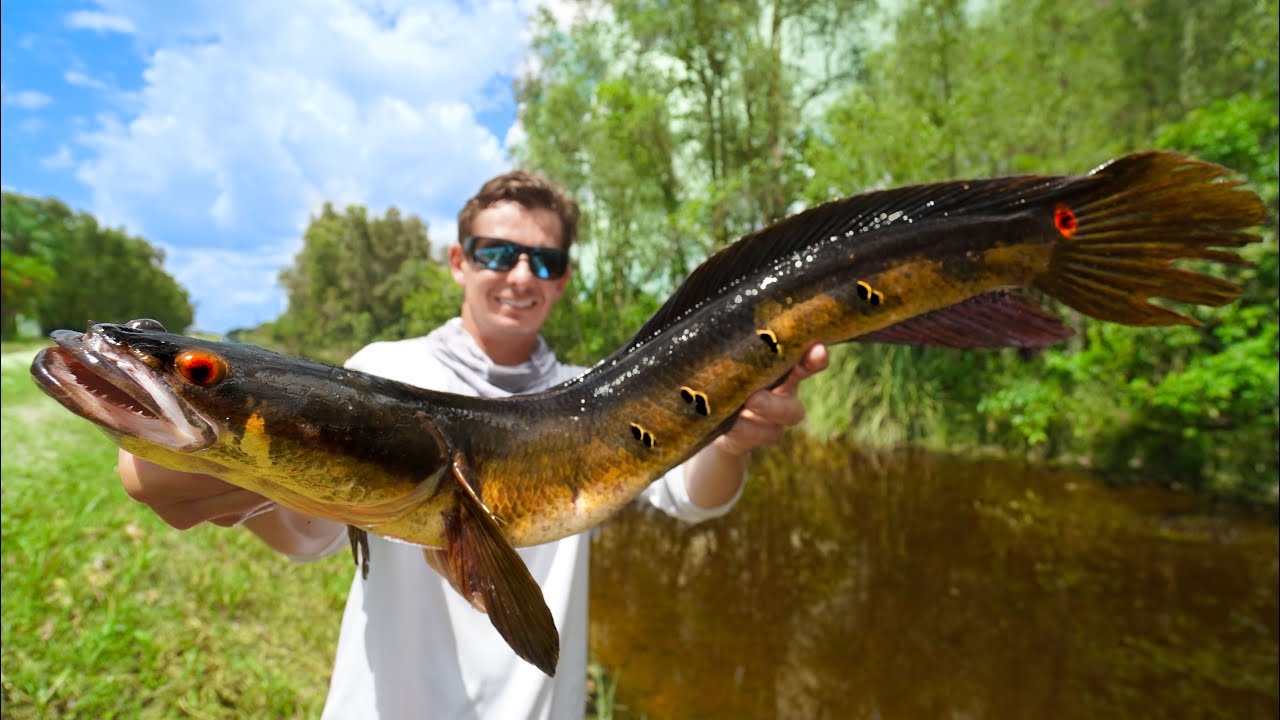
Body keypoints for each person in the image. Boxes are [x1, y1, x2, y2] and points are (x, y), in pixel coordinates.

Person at [118, 170, 829, 719]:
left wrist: (732, 440)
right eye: (499, 252)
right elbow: (312, 534)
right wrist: (239, 490)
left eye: (545, 261)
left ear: (564, 280)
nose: (521, 275)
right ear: (460, 260)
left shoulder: (597, 394)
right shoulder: (385, 373)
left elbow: (692, 499)